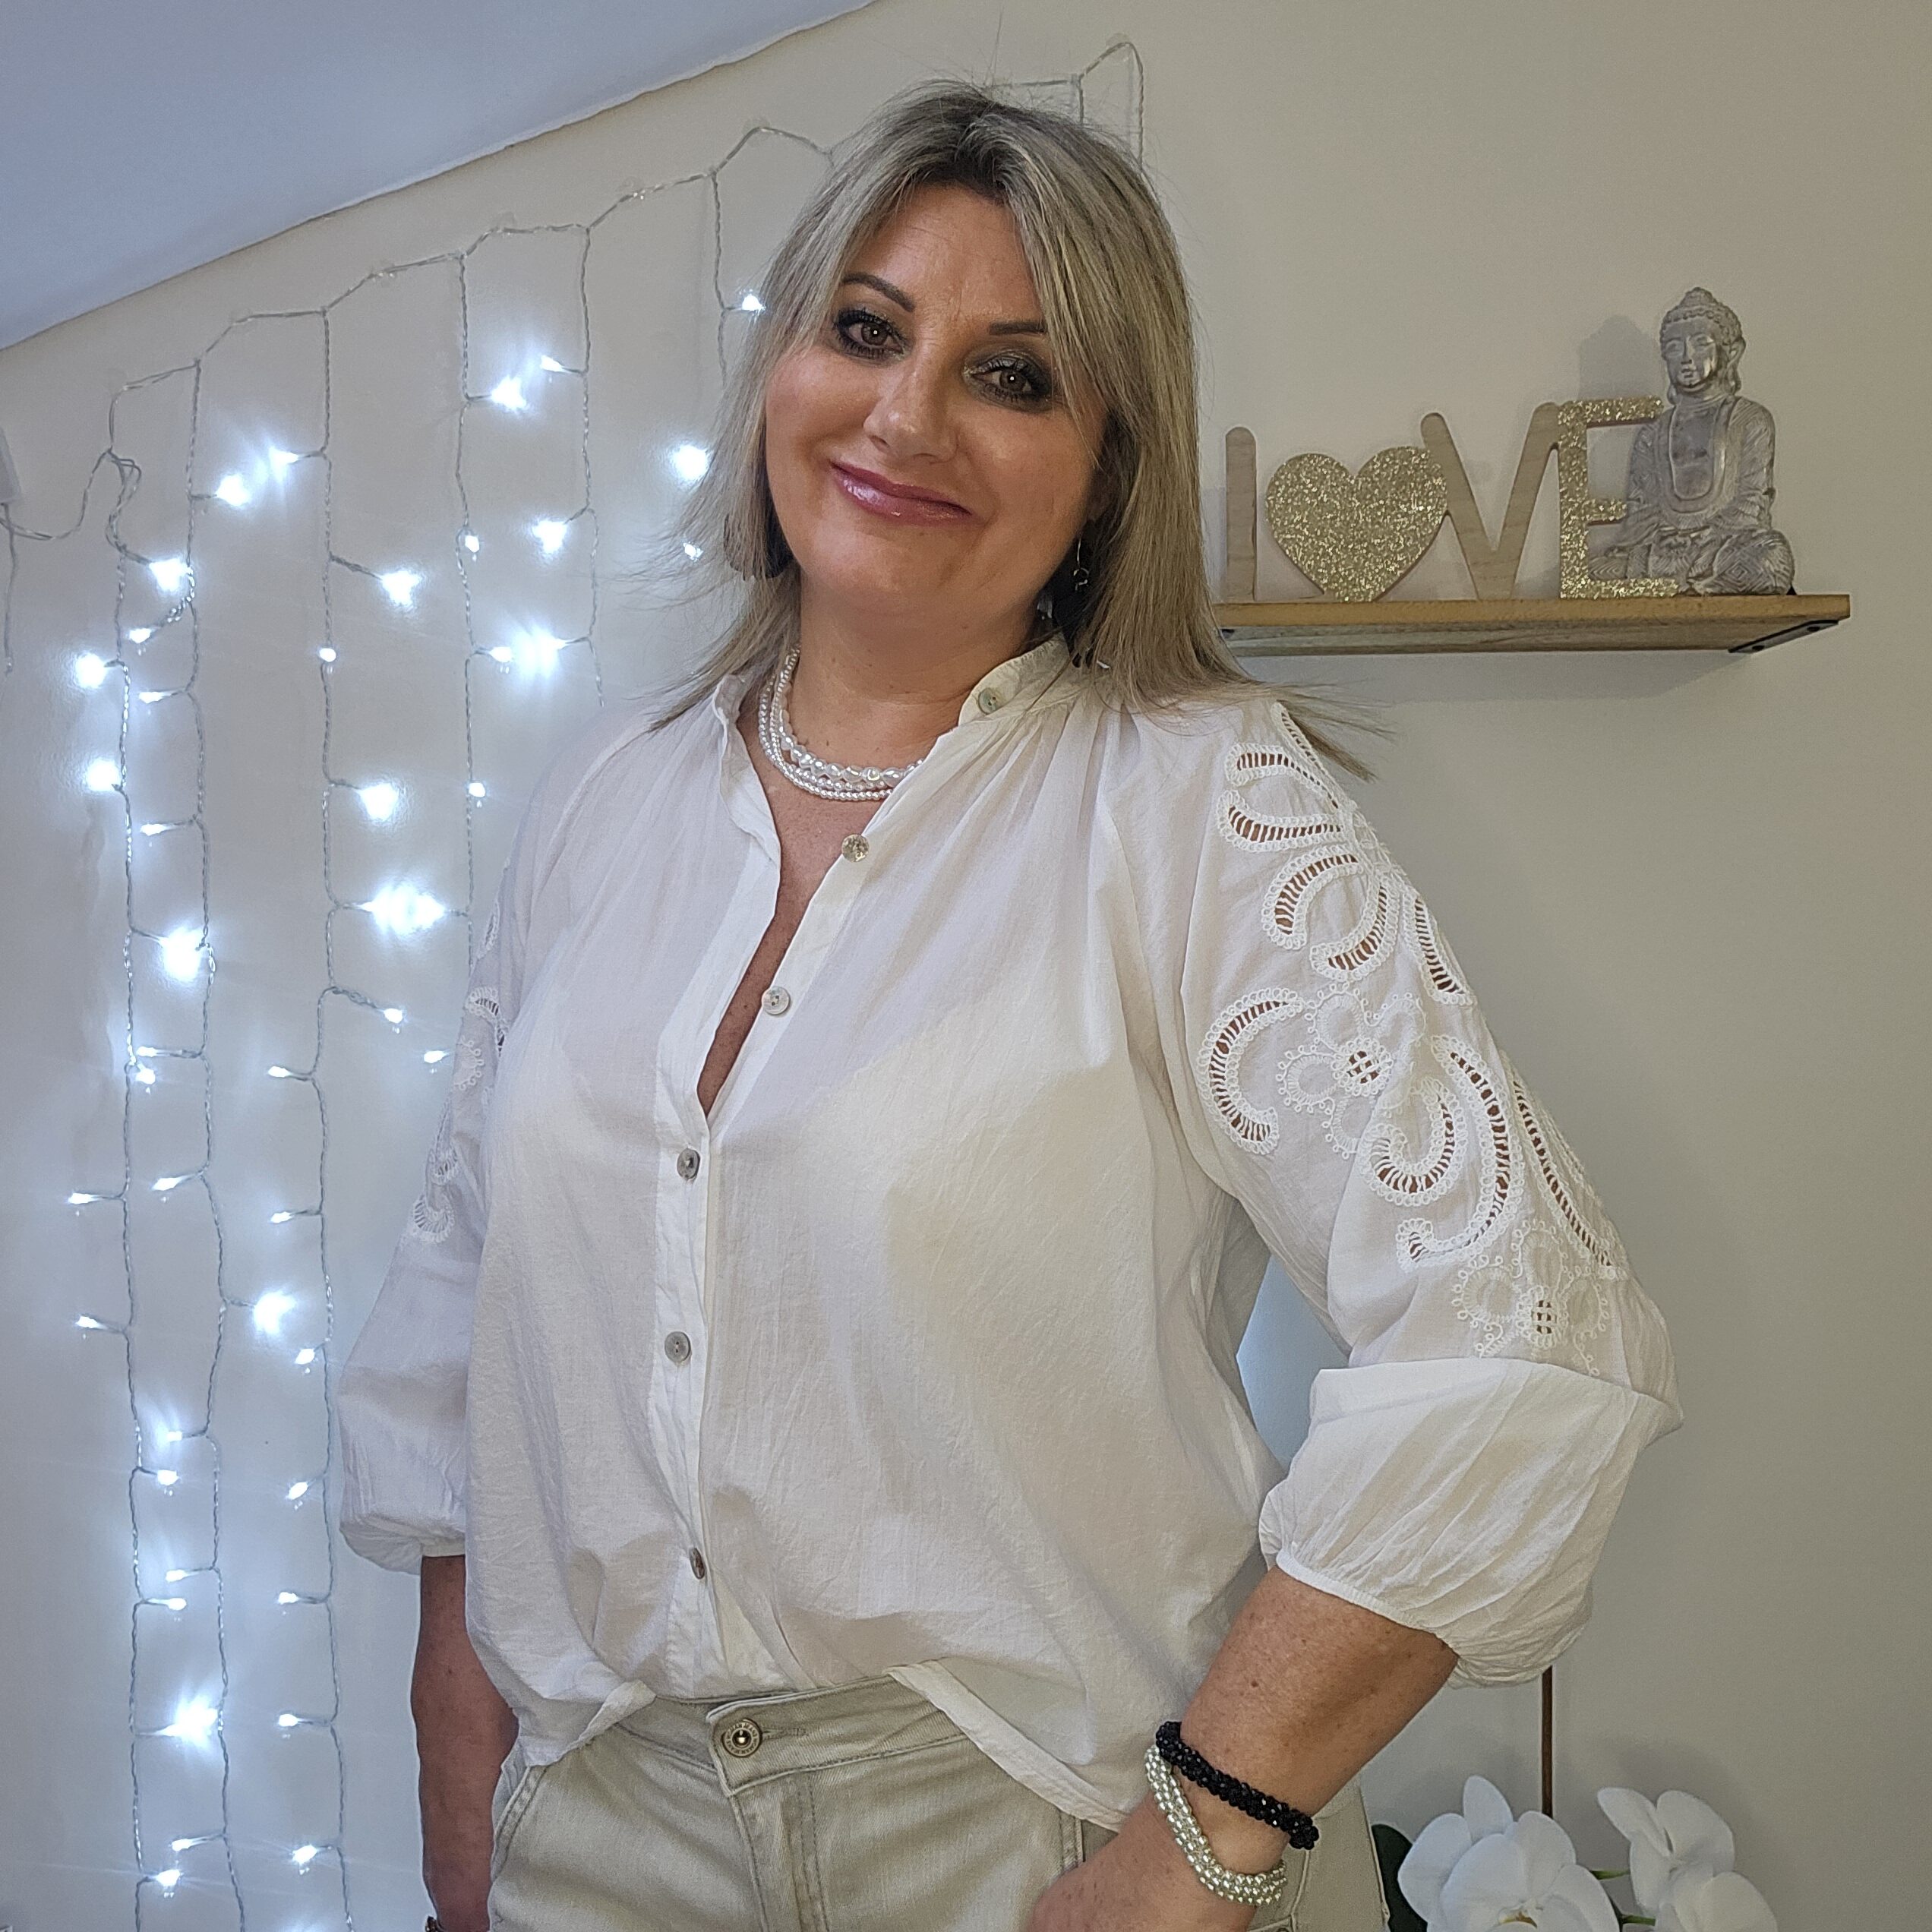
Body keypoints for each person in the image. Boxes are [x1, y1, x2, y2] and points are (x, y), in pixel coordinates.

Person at [339, 79, 1681, 1932]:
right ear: (780, 373)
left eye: (1014, 375)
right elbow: (463, 1322)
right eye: (866, 330)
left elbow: (1528, 1333)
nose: (906, 415)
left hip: (1035, 1821)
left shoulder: (1192, 801)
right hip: (600, 1819)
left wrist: (1200, 1840)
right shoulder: (605, 796)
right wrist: (465, 1798)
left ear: (1108, 467)